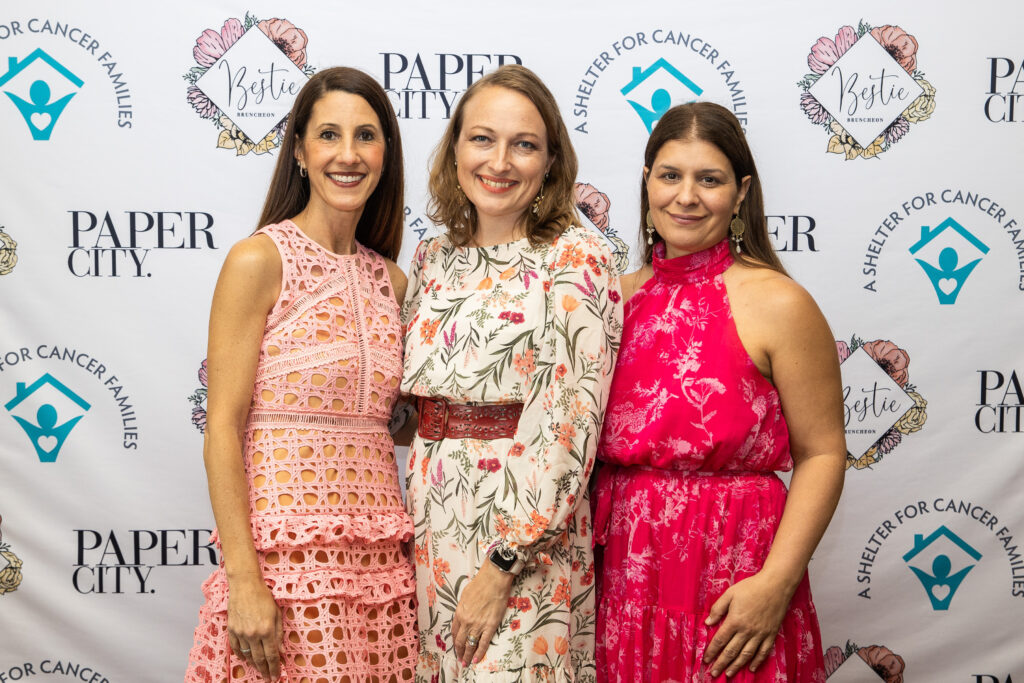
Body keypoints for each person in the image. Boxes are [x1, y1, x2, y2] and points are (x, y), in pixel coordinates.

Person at [592, 102, 845, 682]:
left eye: (709, 179)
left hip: (736, 578)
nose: (686, 196)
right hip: (625, 577)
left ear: (740, 192)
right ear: (647, 183)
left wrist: (776, 585)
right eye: (670, 175)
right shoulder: (611, 301)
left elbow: (824, 454)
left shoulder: (779, 302)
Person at [185, 67, 417, 682]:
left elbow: (397, 424)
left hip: (379, 574)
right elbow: (222, 430)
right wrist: (244, 579)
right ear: (298, 151)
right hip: (283, 567)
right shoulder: (259, 259)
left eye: (366, 136)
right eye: (329, 135)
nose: (348, 154)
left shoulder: (392, 282)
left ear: (386, 153)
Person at [400, 64, 622, 681]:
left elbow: (567, 425)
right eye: (482, 139)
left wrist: (503, 564)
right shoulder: (434, 256)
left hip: (523, 546)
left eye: (523, 144)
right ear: (455, 149)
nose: (499, 161)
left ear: (550, 163)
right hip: (432, 529)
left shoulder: (577, 259)